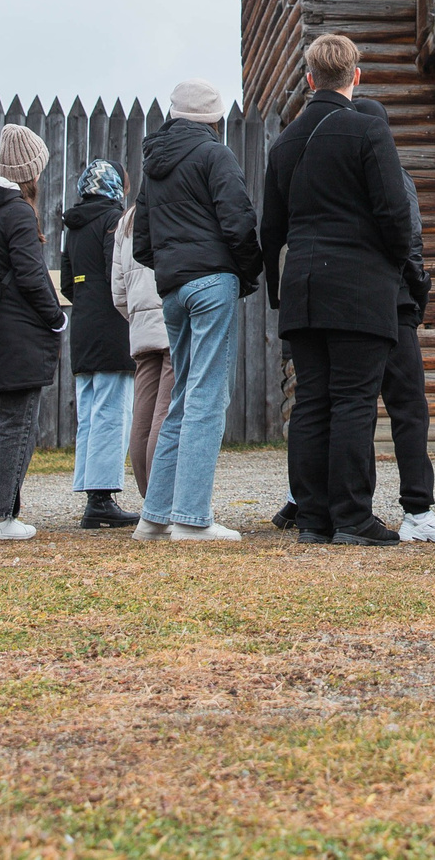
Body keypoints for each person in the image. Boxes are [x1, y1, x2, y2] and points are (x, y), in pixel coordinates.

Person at [264, 34, 417, 546]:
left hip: (302, 287)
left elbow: (271, 229)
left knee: (311, 400)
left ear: (309, 79)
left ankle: (312, 518)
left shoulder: (284, 142)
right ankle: (352, 516)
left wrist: (275, 287)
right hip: (358, 283)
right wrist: (393, 264)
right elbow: (395, 213)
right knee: (353, 399)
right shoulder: (367, 131)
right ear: (357, 76)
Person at [133, 78, 260, 542]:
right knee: (207, 397)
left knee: (183, 398)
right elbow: (239, 220)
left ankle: (154, 517)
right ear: (213, 117)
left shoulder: (153, 164)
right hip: (212, 282)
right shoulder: (215, 155)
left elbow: (141, 241)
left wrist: (172, 266)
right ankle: (190, 518)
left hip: (172, 290)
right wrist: (245, 272)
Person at [356, 97, 435, 543]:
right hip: (394, 302)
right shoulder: (395, 175)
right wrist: (417, 292)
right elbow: (411, 239)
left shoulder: (342, 174)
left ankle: (347, 507)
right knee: (408, 406)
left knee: (354, 406)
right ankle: (418, 509)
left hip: (357, 302)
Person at [0, 125, 66, 542]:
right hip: (19, 330)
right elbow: (30, 274)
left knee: (4, 424)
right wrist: (55, 317)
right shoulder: (17, 211)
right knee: (19, 426)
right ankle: (0, 518)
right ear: (30, 171)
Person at [60, 159, 141, 530]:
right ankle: (102, 496)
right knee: (113, 409)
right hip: (112, 325)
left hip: (82, 326)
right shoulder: (114, 220)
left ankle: (91, 489)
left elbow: (66, 284)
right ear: (115, 186)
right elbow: (118, 270)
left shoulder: (73, 226)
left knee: (90, 410)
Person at [108, 201, 173, 503]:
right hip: (172, 320)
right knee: (166, 413)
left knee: (142, 416)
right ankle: (162, 503)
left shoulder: (127, 221)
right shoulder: (172, 207)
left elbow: (118, 291)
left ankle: (149, 499)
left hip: (141, 328)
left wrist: (137, 316)